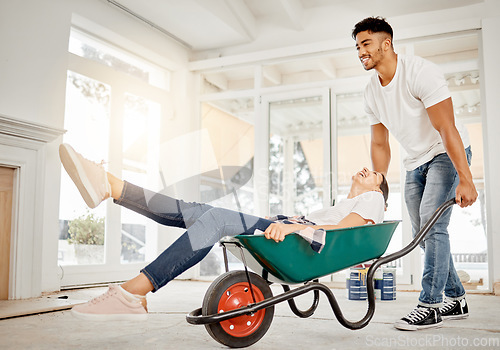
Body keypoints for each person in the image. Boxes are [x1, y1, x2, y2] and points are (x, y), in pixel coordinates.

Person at [59, 143, 388, 320]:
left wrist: (291, 229)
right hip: (295, 234)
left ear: (378, 191)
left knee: (211, 218)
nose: (368, 171)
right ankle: (113, 186)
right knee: (203, 213)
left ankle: (131, 293)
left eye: (375, 175)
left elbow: (346, 230)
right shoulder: (342, 203)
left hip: (298, 241)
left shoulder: (373, 200)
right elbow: (335, 222)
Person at [352, 17, 478, 331]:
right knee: (423, 234)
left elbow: (446, 128)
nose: (360, 52)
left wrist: (466, 177)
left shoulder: (420, 73)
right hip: (414, 162)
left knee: (432, 226)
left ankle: (431, 305)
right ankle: (456, 298)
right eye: (357, 47)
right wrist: (377, 189)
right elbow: (379, 142)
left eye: (366, 44)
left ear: (386, 43)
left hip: (445, 154)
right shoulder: (372, 92)